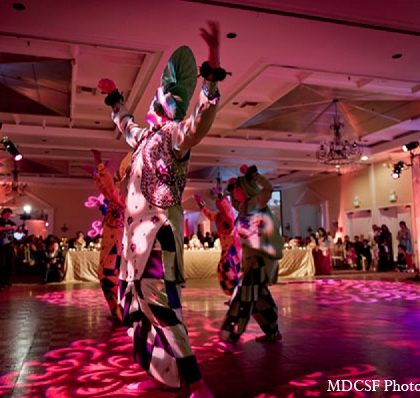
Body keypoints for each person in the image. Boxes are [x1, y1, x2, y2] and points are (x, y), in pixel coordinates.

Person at [98, 21, 223, 398]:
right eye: (159, 97)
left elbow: (201, 120)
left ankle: (196, 381)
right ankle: (164, 371)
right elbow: (125, 124)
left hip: (157, 235)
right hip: (134, 239)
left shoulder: (174, 136)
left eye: (166, 99)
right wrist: (115, 97)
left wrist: (212, 71)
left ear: (172, 107)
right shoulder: (144, 138)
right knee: (136, 306)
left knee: (161, 307)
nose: (158, 103)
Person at [218, 164, 283, 352]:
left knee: (244, 298)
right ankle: (272, 331)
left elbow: (268, 189)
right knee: (260, 300)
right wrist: (230, 191)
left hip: (259, 260)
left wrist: (255, 176)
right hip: (250, 261)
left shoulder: (257, 202)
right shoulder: (244, 207)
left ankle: (231, 335)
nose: (235, 193)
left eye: (237, 189)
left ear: (244, 188)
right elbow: (235, 203)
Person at [81, 148, 130, 321]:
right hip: (109, 243)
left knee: (109, 275)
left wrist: (99, 164)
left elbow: (109, 186)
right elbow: (105, 188)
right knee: (104, 275)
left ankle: (120, 311)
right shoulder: (113, 200)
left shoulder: (120, 201)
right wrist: (95, 174)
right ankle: (116, 310)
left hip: (115, 244)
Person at [194, 188, 241, 296]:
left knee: (228, 270)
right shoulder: (219, 216)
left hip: (232, 247)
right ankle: (234, 294)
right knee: (224, 271)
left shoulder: (229, 216)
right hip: (225, 248)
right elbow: (208, 214)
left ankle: (236, 294)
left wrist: (220, 195)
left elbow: (227, 206)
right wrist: (200, 204)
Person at [0, 208, 16, 287]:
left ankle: (7, 280)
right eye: (7, 214)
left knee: (10, 263)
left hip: (9, 245)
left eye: (9, 214)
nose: (8, 216)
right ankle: (2, 281)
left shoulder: (10, 222)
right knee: (2, 263)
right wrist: (8, 228)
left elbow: (14, 230)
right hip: (1, 245)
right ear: (3, 214)